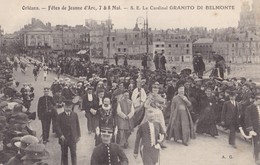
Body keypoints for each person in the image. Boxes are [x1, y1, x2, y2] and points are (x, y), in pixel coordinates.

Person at [56, 100, 81, 165]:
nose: (68, 109)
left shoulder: (75, 115)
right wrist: (61, 135)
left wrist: (79, 135)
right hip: (64, 138)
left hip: (72, 138)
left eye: (70, 107)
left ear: (72, 107)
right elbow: (57, 127)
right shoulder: (60, 116)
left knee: (73, 153)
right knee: (64, 154)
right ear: (64, 107)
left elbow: (77, 125)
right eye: (67, 107)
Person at [245, 92, 260, 164]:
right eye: (258, 100)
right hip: (255, 128)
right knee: (256, 143)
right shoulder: (249, 108)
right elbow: (248, 119)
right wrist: (251, 129)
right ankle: (256, 158)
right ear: (255, 100)